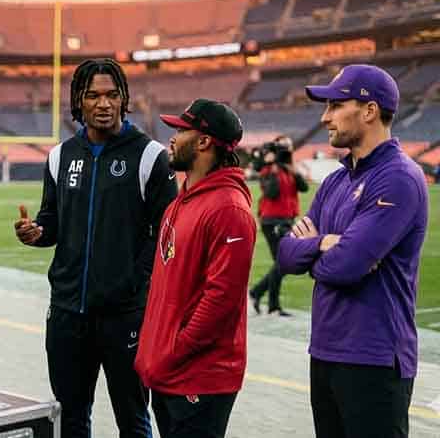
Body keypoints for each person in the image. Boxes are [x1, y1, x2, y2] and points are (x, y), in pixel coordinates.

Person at [14, 58, 177, 438]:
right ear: (79, 102)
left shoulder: (150, 156)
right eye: (93, 96)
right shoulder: (59, 156)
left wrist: (135, 283)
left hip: (125, 316)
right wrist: (37, 231)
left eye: (111, 95)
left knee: (134, 420)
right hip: (68, 313)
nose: (103, 104)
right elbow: (51, 220)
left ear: (123, 100)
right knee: (71, 417)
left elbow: (165, 233)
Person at [278, 64, 428, 438]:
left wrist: (316, 252)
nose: (324, 117)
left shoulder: (398, 177)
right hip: (325, 351)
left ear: (369, 111)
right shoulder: (335, 180)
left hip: (374, 358)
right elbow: (285, 254)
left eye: (334, 105)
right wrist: (321, 244)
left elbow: (346, 266)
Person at [134, 99, 256, 438]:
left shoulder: (229, 209)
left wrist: (173, 349)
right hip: (169, 371)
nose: (172, 138)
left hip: (199, 376)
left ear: (204, 141)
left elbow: (221, 301)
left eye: (181, 130)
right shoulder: (181, 200)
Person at [249, 135, 308, 316]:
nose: (286, 151)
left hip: (287, 219)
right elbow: (272, 193)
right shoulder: (268, 170)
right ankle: (272, 305)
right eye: (283, 147)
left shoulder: (288, 169)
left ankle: (257, 293)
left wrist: (294, 169)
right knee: (284, 261)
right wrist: (273, 168)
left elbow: (304, 187)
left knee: (283, 262)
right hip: (272, 220)